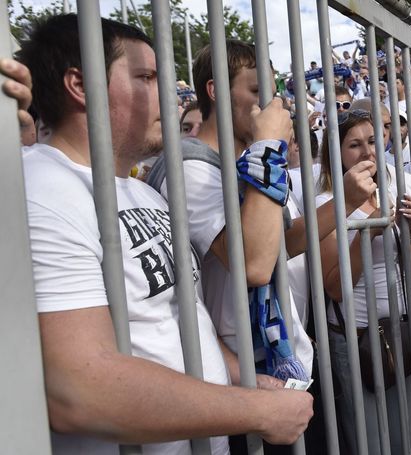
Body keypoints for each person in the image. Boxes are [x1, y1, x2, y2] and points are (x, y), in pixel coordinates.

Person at [13, 14, 313, 454]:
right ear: (80, 85)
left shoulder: (142, 193)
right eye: (146, 78)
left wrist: (247, 378)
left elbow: (181, 323)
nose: (169, 95)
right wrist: (255, 410)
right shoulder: (41, 187)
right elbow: (79, 390)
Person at [144, 39, 314, 454]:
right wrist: (268, 148)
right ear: (216, 90)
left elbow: (278, 249)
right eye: (257, 91)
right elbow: (253, 265)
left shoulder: (248, 165)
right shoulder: (189, 165)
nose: (270, 104)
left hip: (278, 367)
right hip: (231, 384)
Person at [316, 109, 411, 455]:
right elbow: (334, 287)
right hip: (357, 337)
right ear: (335, 154)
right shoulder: (326, 205)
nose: (367, 152)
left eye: (373, 141)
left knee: (408, 435)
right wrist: (369, 233)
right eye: (354, 145)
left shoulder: (391, 191)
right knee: (372, 441)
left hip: (397, 327)